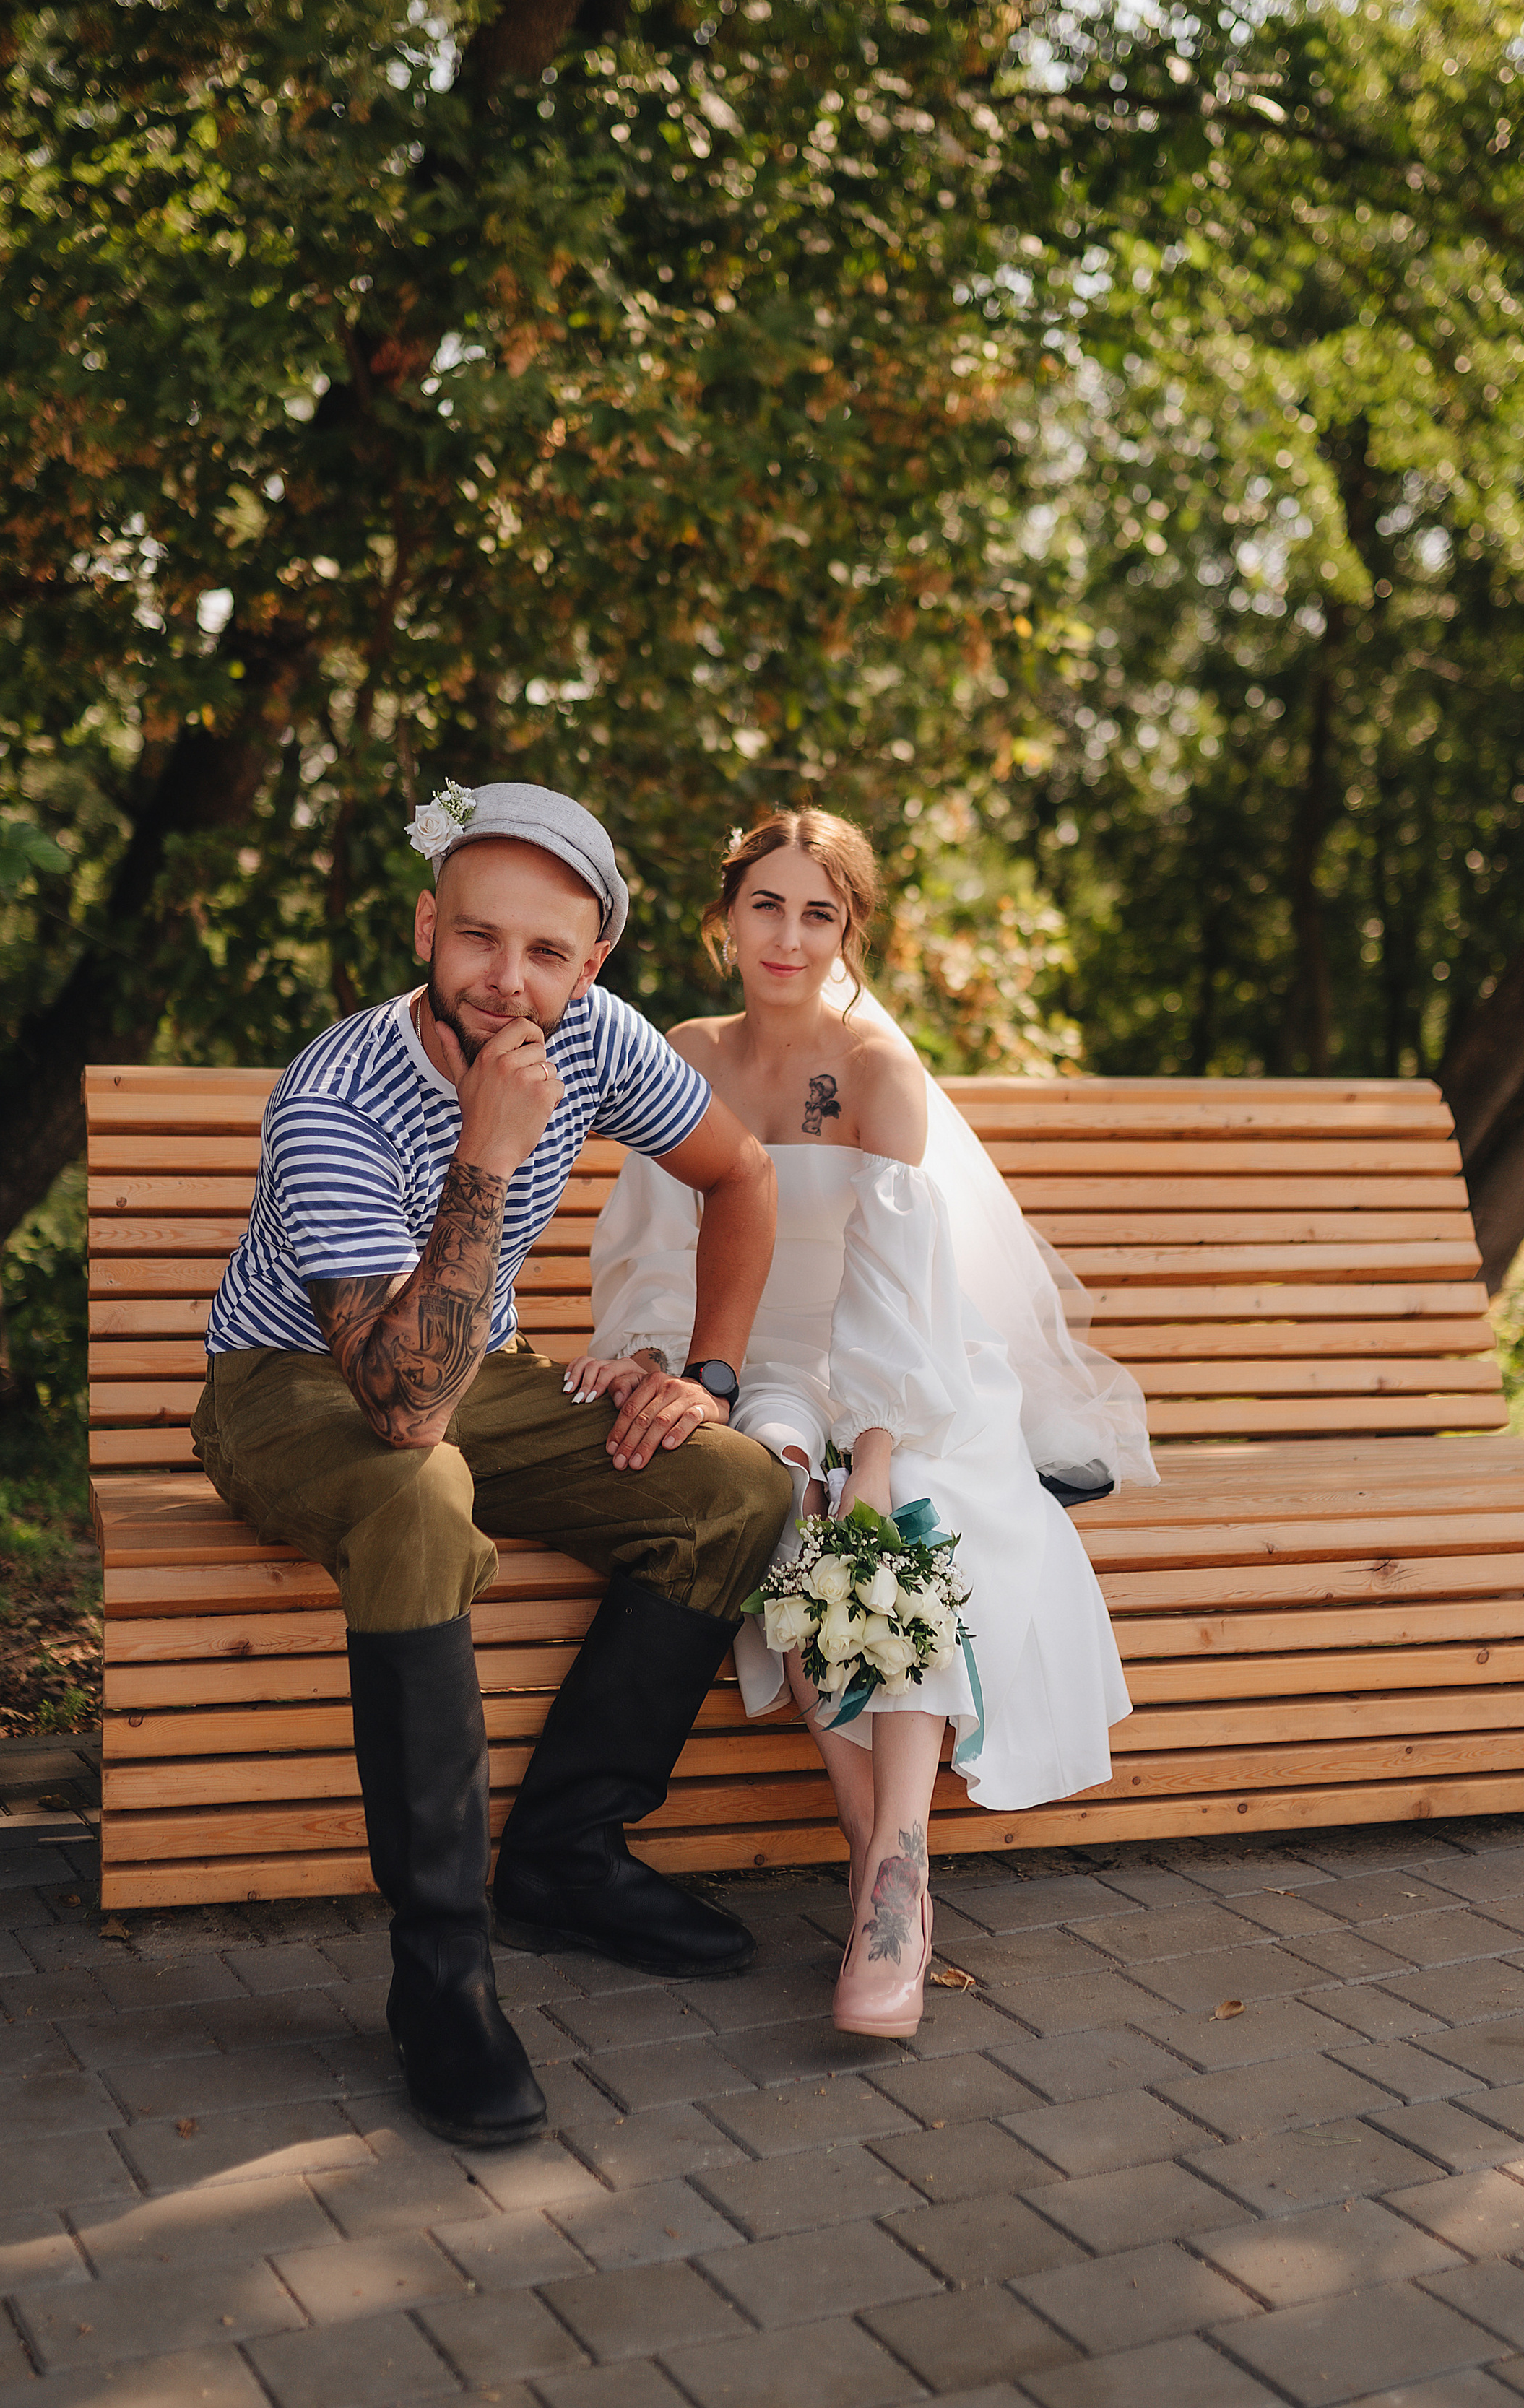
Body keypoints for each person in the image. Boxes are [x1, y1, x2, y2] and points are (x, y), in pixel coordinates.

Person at [191, 783, 789, 2150]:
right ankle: (442, 1973)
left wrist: (699, 1380)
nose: (506, 982)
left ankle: (568, 1858)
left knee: (740, 1487)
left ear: (593, 967)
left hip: (472, 1379)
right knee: (419, 1488)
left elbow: (741, 1173)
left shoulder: (600, 1040)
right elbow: (399, 1407)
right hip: (288, 1389)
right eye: (476, 939)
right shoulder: (332, 1092)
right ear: (425, 927)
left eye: (545, 953)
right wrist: (491, 1147)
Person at [567, 809, 1156, 2040]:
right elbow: (655, 1251)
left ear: (851, 929)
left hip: (905, 1367)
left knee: (902, 1521)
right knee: (775, 1499)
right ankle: (888, 1867)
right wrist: (663, 1363)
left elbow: (897, 1295)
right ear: (725, 916)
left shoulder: (879, 1069)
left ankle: (891, 1869)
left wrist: (876, 1455)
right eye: (766, 905)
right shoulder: (687, 1052)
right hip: (756, 1360)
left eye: (818, 912)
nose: (788, 936)